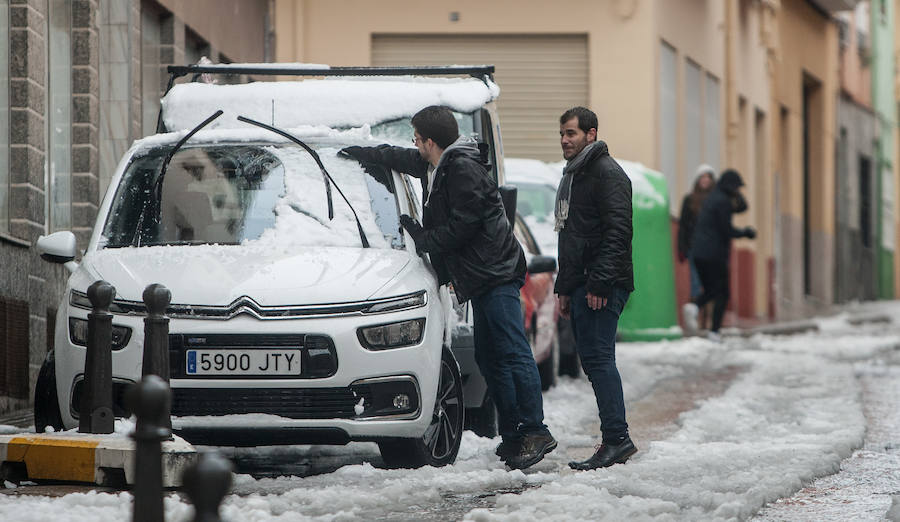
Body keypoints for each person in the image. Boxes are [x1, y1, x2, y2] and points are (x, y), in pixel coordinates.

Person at [339, 105, 557, 470]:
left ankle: (535, 430)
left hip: (496, 272)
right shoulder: (438, 164)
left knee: (513, 350)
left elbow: (465, 225)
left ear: (430, 141)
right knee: (490, 356)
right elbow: (401, 158)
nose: (414, 144)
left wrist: (425, 239)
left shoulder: (462, 169)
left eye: (416, 138)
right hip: (483, 275)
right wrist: (361, 152)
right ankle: (515, 435)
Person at [553, 107, 637, 470]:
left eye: (571, 133)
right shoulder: (576, 175)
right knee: (594, 360)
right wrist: (564, 287)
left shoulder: (607, 174)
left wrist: (600, 282)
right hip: (584, 283)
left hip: (601, 284)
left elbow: (618, 233)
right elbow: (571, 237)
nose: (564, 140)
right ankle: (615, 438)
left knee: (600, 361)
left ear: (591, 134)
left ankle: (617, 440)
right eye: (562, 134)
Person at [681, 169, 756, 342]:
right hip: (713, 255)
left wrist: (736, 192)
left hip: (700, 253)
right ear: (731, 187)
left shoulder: (714, 197)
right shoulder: (723, 201)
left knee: (712, 290)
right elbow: (726, 230)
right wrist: (746, 233)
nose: (738, 191)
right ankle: (714, 331)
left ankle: (694, 307)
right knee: (723, 293)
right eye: (737, 188)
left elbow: (743, 207)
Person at [678, 165, 716, 331]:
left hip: (712, 250)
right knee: (695, 283)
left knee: (710, 285)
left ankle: (706, 321)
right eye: (703, 177)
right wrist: (681, 248)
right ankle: (693, 320)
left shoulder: (716, 201)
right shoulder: (689, 200)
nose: (705, 181)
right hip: (694, 248)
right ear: (697, 180)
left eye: (708, 178)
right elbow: (683, 226)